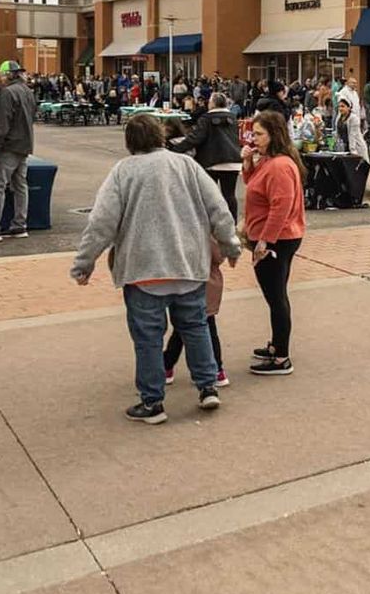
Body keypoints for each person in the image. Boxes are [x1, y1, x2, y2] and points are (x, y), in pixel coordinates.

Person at [69, 114, 241, 424]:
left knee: (148, 338)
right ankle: (207, 386)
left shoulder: (123, 172)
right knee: (195, 326)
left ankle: (153, 402)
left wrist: (85, 263)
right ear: (160, 135)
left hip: (143, 268)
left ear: (129, 141)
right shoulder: (186, 165)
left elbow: (102, 222)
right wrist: (230, 246)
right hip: (187, 263)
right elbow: (219, 207)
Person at [241, 110, 306, 375]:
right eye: (253, 133)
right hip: (274, 236)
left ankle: (281, 356)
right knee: (275, 294)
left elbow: (281, 206)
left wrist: (264, 242)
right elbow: (253, 185)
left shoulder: (280, 165)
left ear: (273, 135)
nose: (254, 138)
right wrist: (248, 163)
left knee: (276, 296)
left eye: (259, 134)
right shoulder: (270, 161)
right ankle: (277, 345)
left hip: (278, 239)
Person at [166, 91, 242, 221]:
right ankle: (232, 223)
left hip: (211, 161)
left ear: (212, 104)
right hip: (233, 160)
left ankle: (211, 222)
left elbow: (195, 139)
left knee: (209, 195)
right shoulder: (233, 118)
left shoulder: (206, 119)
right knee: (229, 195)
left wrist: (175, 150)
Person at [164, 239, 229, 388]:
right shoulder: (210, 230)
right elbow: (220, 255)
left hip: (197, 283)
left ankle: (216, 369)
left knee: (196, 326)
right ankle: (167, 364)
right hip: (205, 282)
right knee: (193, 326)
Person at [0, 61, 37, 244]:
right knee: (20, 186)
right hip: (25, 146)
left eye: (2, 75)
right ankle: (19, 225)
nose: (0, 79)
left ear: (8, 75)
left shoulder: (6, 94)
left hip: (8, 147)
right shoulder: (27, 92)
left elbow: (1, 124)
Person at [335, 95, 369, 160]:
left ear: (349, 107)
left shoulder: (354, 118)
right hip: (344, 148)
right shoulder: (338, 118)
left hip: (356, 148)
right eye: (339, 106)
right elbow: (337, 133)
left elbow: (352, 135)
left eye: (342, 106)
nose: (340, 109)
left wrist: (353, 152)